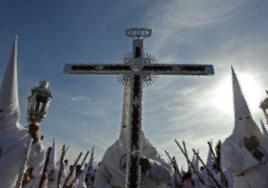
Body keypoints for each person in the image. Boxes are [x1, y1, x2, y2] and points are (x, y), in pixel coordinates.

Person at [94, 81, 170, 188]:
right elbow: (100, 179)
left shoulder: (149, 150)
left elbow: (167, 176)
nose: (131, 131)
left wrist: (150, 164)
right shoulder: (112, 152)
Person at [221, 68, 268, 188]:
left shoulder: (263, 139)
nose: (245, 123)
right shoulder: (229, 143)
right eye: (241, 119)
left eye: (248, 118)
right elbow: (232, 166)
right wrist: (248, 149)